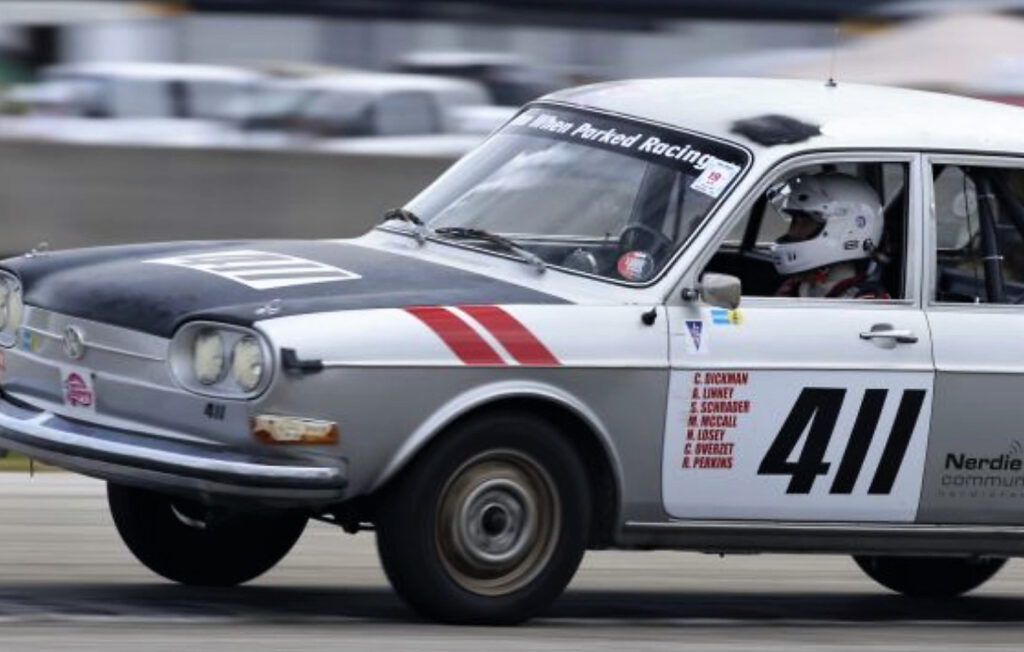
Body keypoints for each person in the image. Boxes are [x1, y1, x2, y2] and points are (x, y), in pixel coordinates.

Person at [770, 172, 890, 299]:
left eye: (805, 222)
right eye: (794, 221)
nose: (792, 232)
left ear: (850, 229)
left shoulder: (867, 302)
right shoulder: (796, 286)